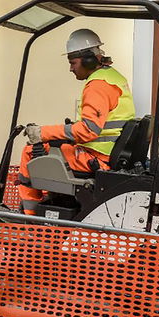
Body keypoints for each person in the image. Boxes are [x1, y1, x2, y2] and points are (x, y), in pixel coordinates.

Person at [18, 28, 135, 215]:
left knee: (31, 151)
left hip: (97, 158)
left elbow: (88, 130)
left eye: (73, 62)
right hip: (106, 153)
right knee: (53, 148)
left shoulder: (98, 86)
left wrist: (42, 133)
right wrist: (67, 133)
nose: (71, 68)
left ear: (88, 60)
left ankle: (30, 217)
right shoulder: (112, 78)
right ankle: (51, 202)